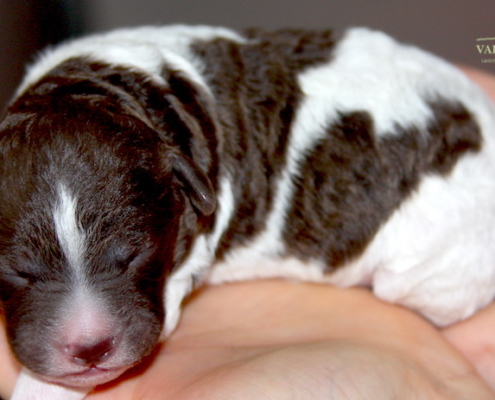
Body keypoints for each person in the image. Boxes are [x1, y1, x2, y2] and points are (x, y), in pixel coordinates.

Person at [1, 67, 495, 400]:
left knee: (434, 284)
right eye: (22, 272)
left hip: (443, 181)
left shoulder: (180, 159)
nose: (86, 333)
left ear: (185, 185)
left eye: (126, 259)